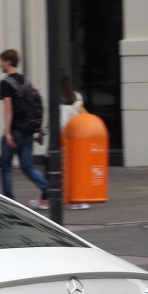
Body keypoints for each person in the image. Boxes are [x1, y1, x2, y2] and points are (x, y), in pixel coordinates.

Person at [0, 49, 50, 209]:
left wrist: (7, 132)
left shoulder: (5, 83)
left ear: (8, 61)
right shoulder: (26, 81)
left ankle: (9, 202)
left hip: (15, 130)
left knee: (6, 167)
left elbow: (8, 109)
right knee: (27, 166)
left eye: (1, 61)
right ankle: (49, 189)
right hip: (28, 129)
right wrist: (39, 130)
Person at [59, 71, 90, 211]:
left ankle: (72, 198)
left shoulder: (57, 97)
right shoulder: (76, 96)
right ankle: (80, 199)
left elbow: (59, 121)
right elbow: (83, 113)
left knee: (64, 169)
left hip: (64, 136)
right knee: (77, 168)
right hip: (77, 136)